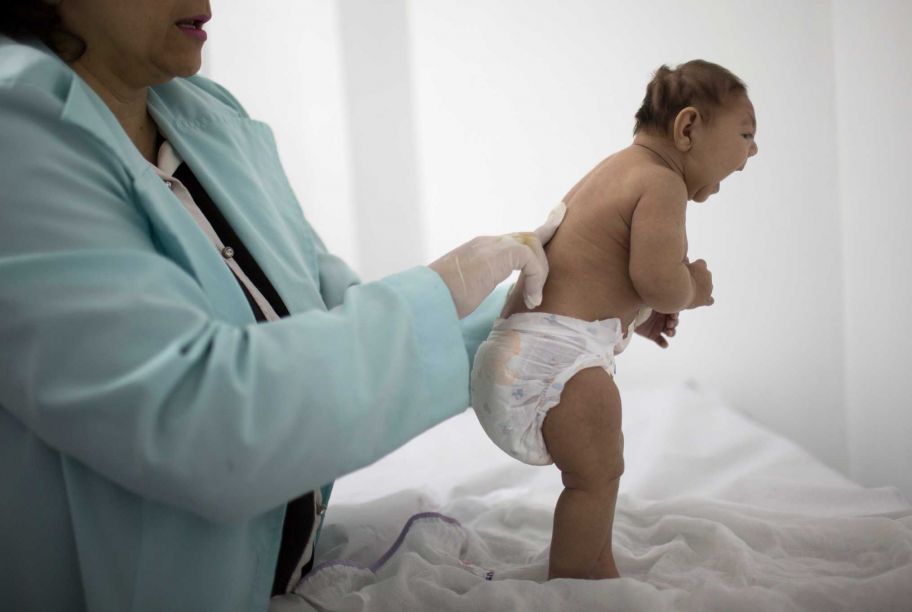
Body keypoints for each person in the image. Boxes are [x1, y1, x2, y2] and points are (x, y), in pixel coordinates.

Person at [0, 2, 565, 610]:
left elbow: (329, 325)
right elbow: (203, 423)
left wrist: (544, 313)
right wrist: (442, 288)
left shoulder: (204, 114)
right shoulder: (15, 129)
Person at [471, 60, 758, 580]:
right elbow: (658, 279)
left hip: (518, 353)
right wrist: (692, 287)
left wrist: (638, 320)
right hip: (549, 362)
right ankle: (583, 575)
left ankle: (583, 560)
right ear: (688, 128)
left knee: (596, 465)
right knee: (598, 473)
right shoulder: (661, 184)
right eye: (745, 134)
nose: (753, 150)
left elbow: (592, 273)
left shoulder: (617, 169)